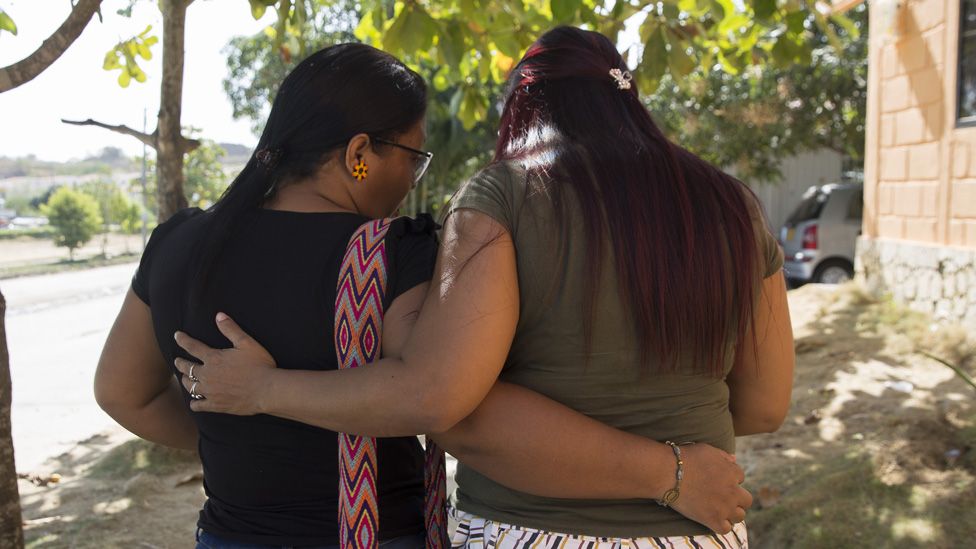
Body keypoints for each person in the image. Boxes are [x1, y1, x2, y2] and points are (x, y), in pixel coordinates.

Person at [95, 41, 760, 548]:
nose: (414, 178)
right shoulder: (392, 253)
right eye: (412, 156)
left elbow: (122, 393)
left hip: (227, 534)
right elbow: (439, 396)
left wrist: (236, 432)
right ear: (361, 153)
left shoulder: (178, 242)